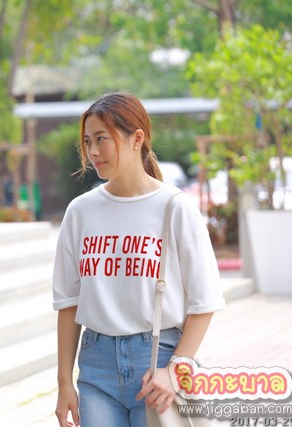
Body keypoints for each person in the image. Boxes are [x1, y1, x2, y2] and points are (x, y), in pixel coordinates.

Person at [52, 92, 225, 427]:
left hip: (158, 361)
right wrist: (64, 384)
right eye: (87, 142)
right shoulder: (80, 211)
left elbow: (204, 303)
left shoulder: (175, 207)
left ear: (137, 138)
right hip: (96, 368)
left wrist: (175, 370)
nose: (93, 151)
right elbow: (69, 304)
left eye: (101, 139)